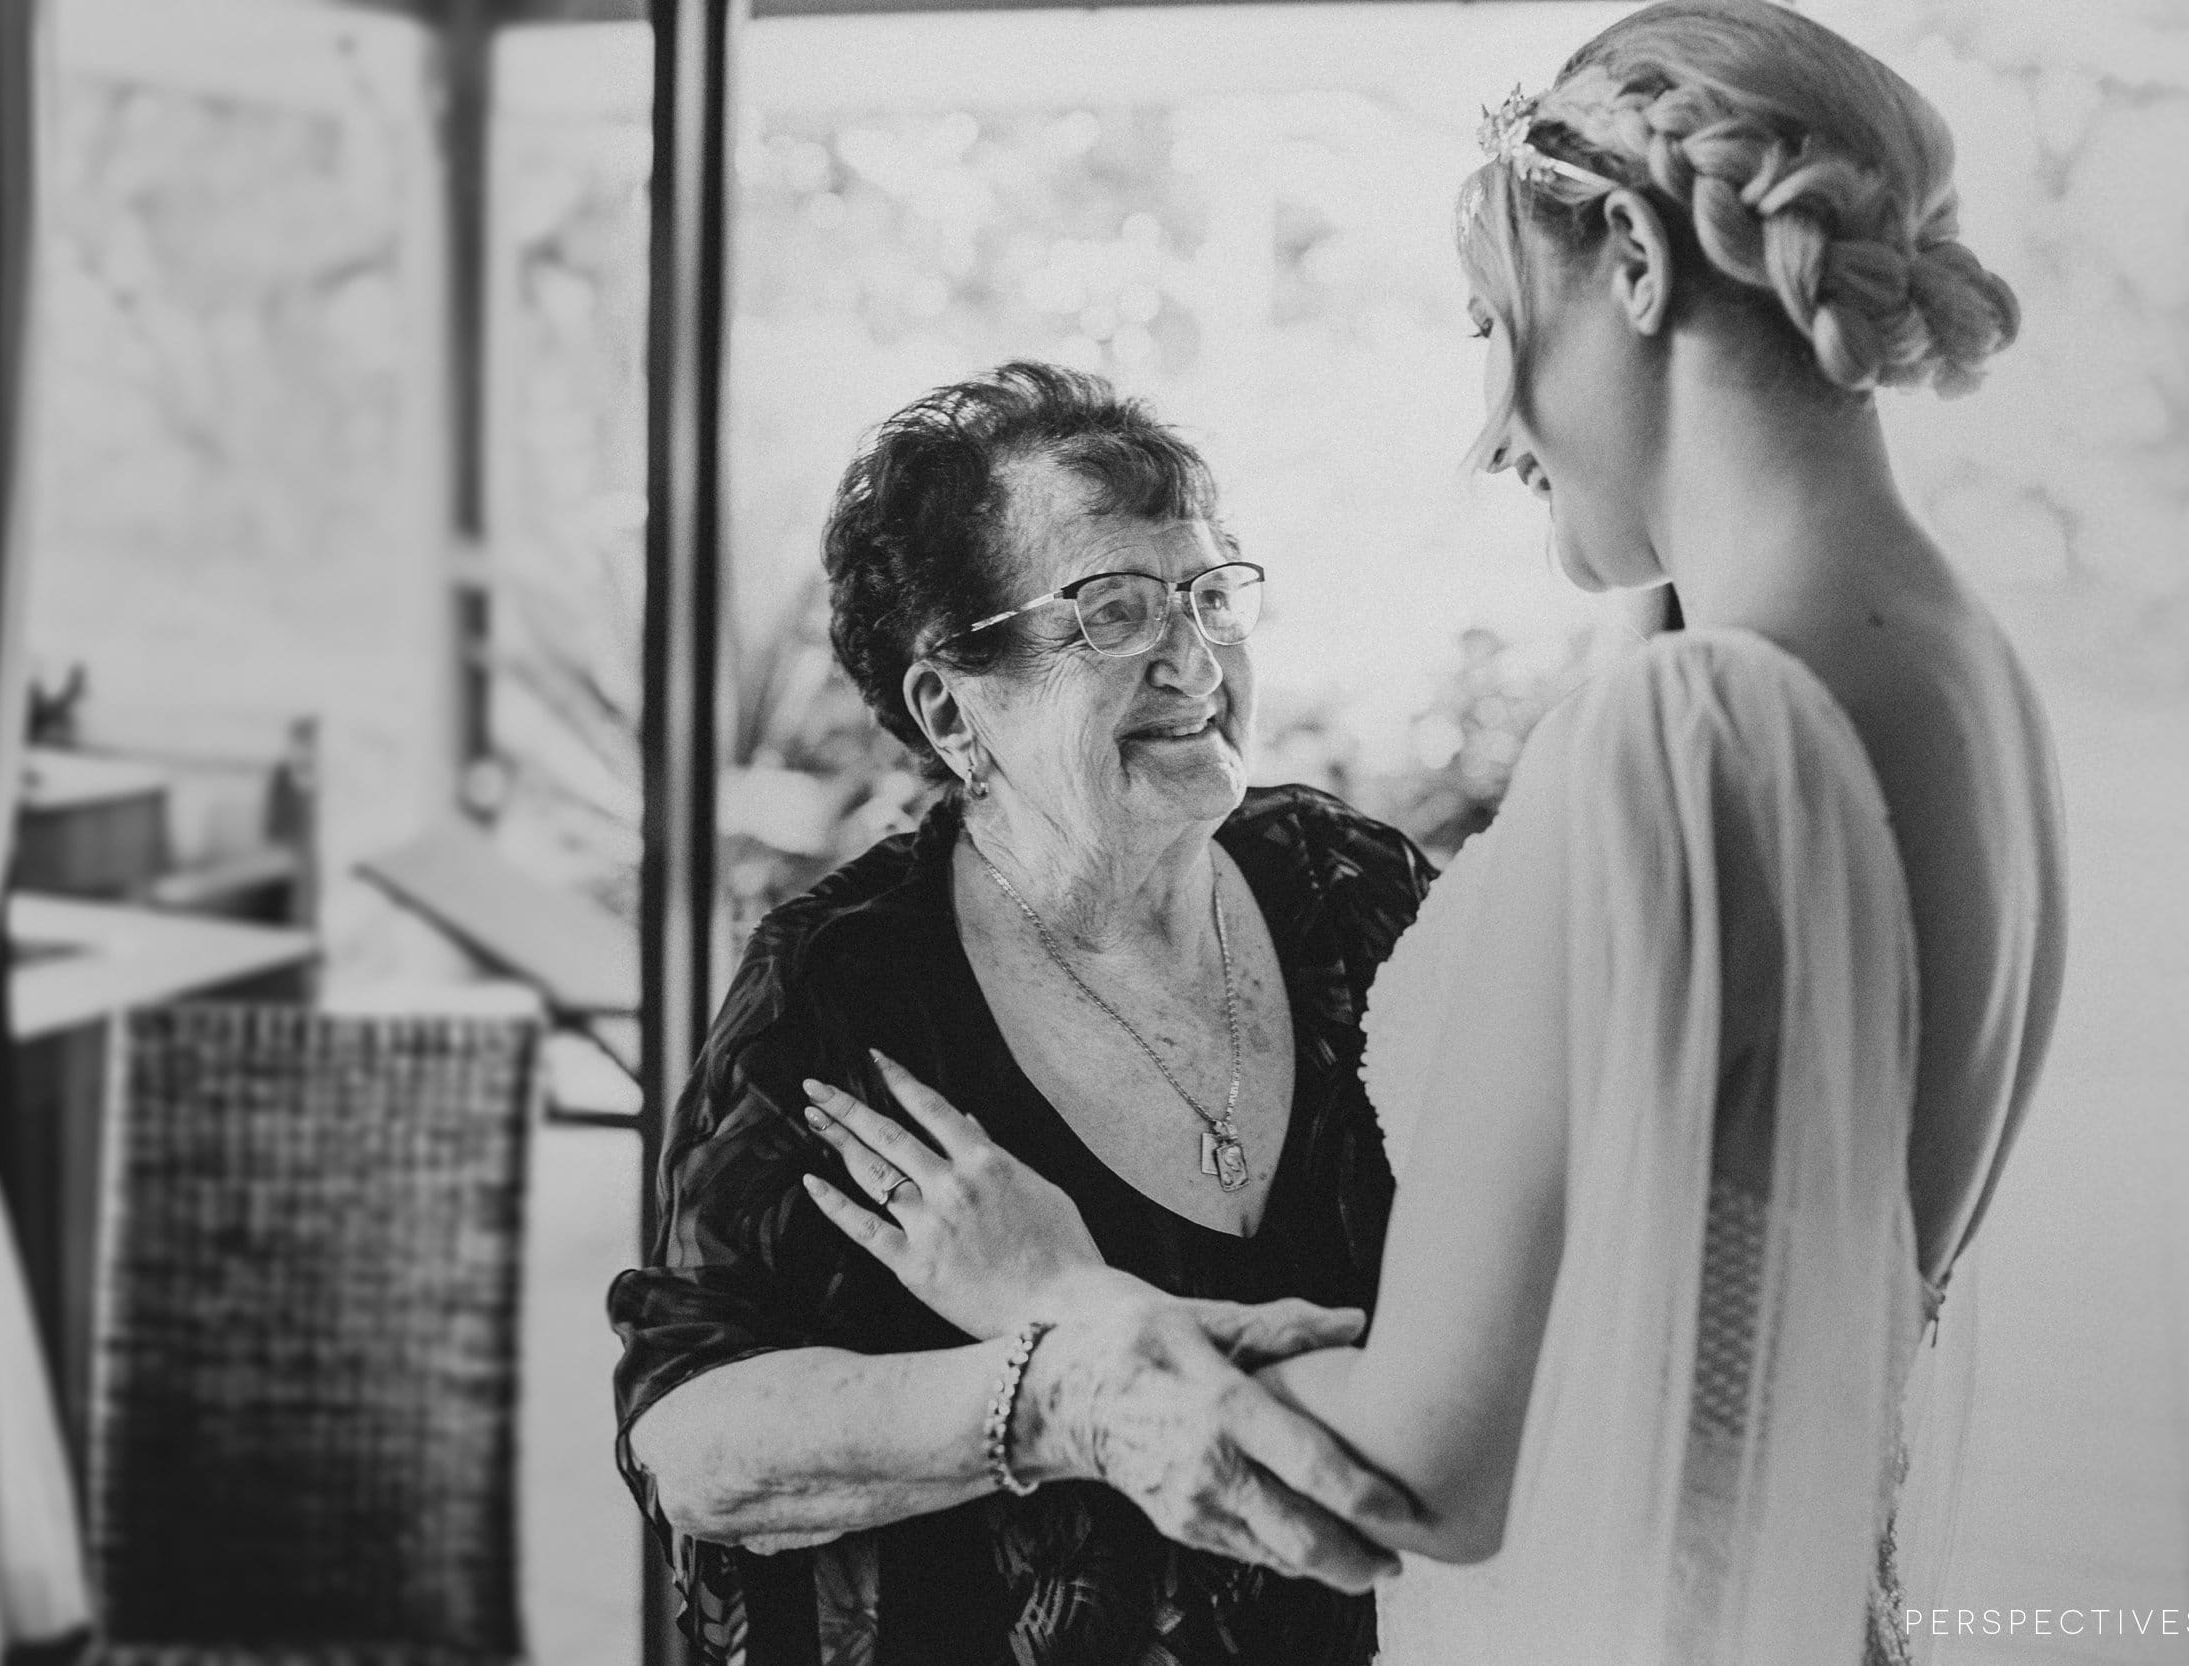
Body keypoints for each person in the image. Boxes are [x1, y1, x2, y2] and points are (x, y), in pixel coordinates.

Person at [794, 5, 2069, 1662]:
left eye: (1492, 321)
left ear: (1628, 253)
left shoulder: (1685, 742)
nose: (1495, 423)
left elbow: (1415, 1473)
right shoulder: (1972, 677)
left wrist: (1063, 1302)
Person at [608, 361, 1438, 1665]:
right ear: (953, 707)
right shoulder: (848, 986)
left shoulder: (1355, 895)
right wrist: (1057, 1397)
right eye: (1112, 611)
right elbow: (690, 1437)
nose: (1195, 653)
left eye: (1209, 592)